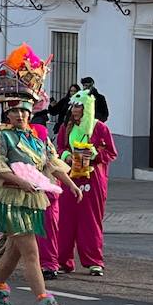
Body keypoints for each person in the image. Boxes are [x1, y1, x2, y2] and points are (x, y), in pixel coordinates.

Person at [0, 46, 83, 305]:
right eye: (15, 111)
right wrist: (21, 182)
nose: (21, 116)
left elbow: (50, 162)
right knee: (30, 251)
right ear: (7, 111)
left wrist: (70, 184)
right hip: (9, 200)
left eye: (25, 111)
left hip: (31, 199)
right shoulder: (0, 136)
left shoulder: (36, 138)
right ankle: (45, 300)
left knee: (15, 252)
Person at [56, 90, 118, 275]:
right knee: (65, 220)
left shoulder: (100, 128)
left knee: (90, 221)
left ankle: (94, 261)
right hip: (69, 179)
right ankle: (62, 260)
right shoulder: (65, 127)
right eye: (73, 106)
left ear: (87, 107)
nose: (75, 110)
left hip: (93, 180)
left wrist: (96, 154)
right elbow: (59, 148)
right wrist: (67, 156)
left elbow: (111, 153)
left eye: (79, 106)